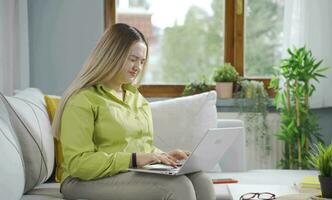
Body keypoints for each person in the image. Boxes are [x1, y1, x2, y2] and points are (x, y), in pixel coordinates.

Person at [51, 23, 215, 200]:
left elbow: (138, 146)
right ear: (112, 55)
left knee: (202, 181)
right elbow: (79, 164)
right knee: (177, 187)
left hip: (126, 172)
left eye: (142, 61)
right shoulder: (82, 99)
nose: (138, 66)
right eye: (132, 59)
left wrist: (163, 156)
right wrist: (135, 159)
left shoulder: (135, 98)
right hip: (81, 181)